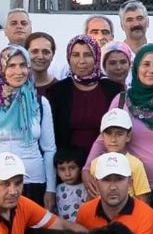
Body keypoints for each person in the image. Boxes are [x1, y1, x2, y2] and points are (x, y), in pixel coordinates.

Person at [86, 45, 153, 212]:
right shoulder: (122, 100)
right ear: (136, 67)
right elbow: (104, 138)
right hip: (130, 191)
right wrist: (87, 169)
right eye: (146, 64)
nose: (151, 70)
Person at [0, 45, 57, 208]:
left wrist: (50, 189)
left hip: (33, 181)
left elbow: (49, 149)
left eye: (23, 65)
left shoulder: (39, 102)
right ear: (2, 68)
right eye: (11, 65)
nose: (19, 71)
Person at [46, 35, 119, 165]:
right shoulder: (56, 91)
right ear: (69, 57)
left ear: (96, 57)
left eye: (87, 55)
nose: (81, 61)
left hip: (106, 164)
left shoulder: (113, 90)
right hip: (68, 169)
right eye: (75, 55)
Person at [87, 108, 152, 204]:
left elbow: (143, 200)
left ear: (128, 136)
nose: (113, 139)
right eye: (108, 133)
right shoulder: (95, 163)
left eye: (119, 134)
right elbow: (92, 197)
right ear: (102, 135)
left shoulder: (136, 164)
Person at [53, 150, 88, 221]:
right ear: (57, 171)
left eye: (72, 168)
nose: (67, 174)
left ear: (81, 168)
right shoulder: (57, 189)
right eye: (62, 169)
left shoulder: (86, 187)